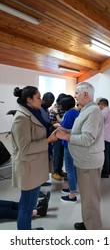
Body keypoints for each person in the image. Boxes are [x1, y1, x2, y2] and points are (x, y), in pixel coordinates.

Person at [56, 82, 104, 230]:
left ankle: (93, 228)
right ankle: (88, 221)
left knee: (90, 198)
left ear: (85, 94)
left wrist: (66, 137)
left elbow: (88, 139)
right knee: (87, 196)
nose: (75, 96)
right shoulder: (86, 110)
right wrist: (68, 131)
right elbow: (81, 131)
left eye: (77, 93)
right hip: (84, 161)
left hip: (89, 163)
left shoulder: (93, 112)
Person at [11, 86, 57, 230]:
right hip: (29, 168)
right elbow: (25, 148)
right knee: (27, 206)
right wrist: (49, 140)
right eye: (38, 97)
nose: (41, 100)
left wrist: (52, 128)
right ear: (29, 99)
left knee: (28, 204)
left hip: (34, 167)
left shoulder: (34, 112)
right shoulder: (21, 118)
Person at [60, 95, 80, 203]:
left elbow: (64, 128)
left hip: (69, 143)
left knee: (69, 169)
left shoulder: (69, 113)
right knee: (74, 168)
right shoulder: (76, 112)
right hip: (74, 142)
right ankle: (73, 187)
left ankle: (72, 194)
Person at [49, 93, 67, 181]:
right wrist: (62, 127)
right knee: (57, 153)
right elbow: (52, 122)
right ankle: (55, 172)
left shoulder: (62, 108)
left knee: (61, 154)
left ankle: (59, 170)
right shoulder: (54, 110)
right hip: (56, 135)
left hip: (63, 134)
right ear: (59, 101)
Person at [98, 98, 110, 178]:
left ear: (102, 104)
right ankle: (109, 170)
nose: (99, 106)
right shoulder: (109, 111)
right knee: (108, 154)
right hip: (109, 135)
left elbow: (99, 122)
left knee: (105, 154)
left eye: (99, 104)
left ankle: (105, 172)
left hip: (106, 136)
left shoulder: (104, 111)